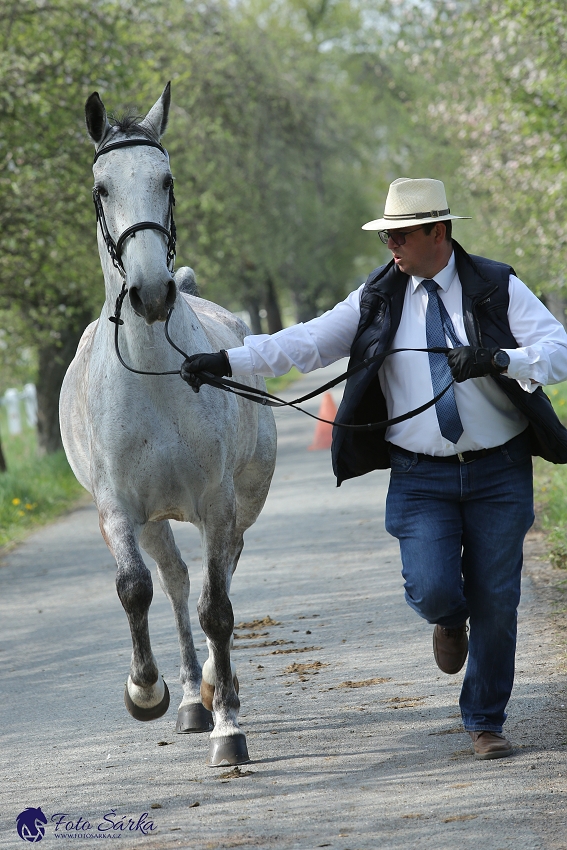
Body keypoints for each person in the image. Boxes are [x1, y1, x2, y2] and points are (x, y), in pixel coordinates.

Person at [181, 177, 567, 760]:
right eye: (385, 234)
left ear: (438, 231)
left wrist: (499, 358)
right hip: (420, 475)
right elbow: (305, 344)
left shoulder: (497, 285)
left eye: (399, 234)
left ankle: (485, 720)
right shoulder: (377, 297)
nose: (390, 244)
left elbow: (559, 351)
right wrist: (226, 360)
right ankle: (447, 619)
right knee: (435, 588)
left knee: (499, 597)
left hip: (498, 469)